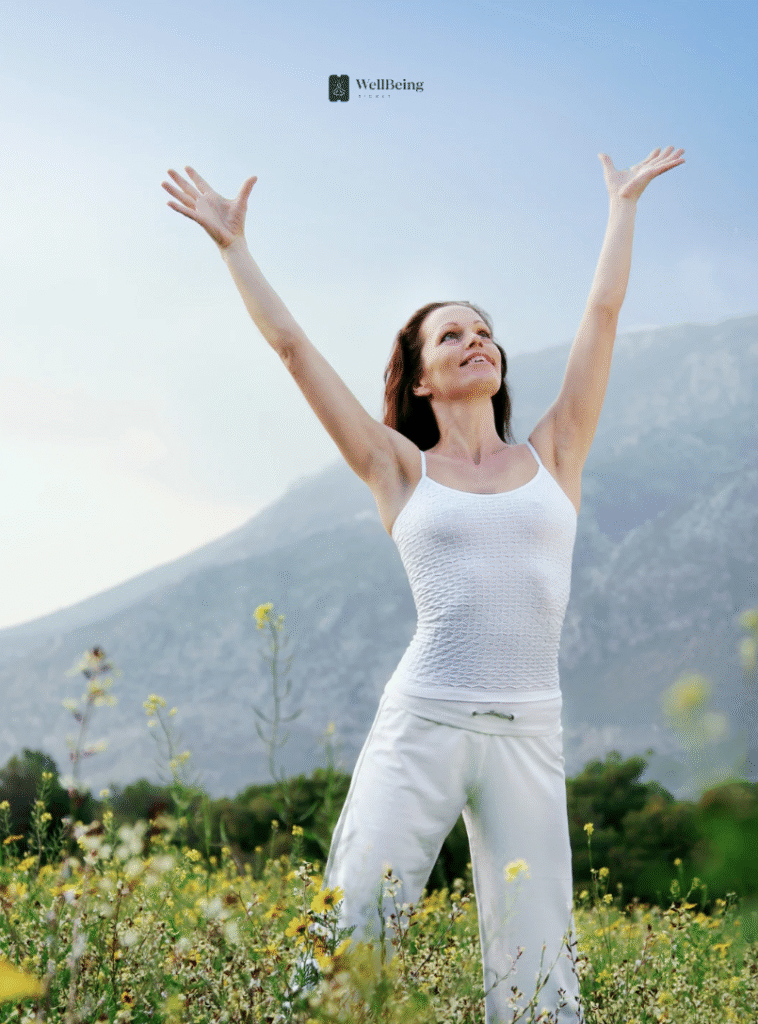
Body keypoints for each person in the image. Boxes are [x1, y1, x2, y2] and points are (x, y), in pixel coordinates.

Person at [162, 146, 685, 1022]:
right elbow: (294, 351)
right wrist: (234, 248)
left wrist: (622, 206)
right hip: (424, 725)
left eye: (484, 330)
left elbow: (602, 310)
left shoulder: (556, 453)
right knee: (350, 943)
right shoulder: (400, 469)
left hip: (530, 732)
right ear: (419, 377)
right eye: (452, 334)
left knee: (541, 976)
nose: (476, 340)